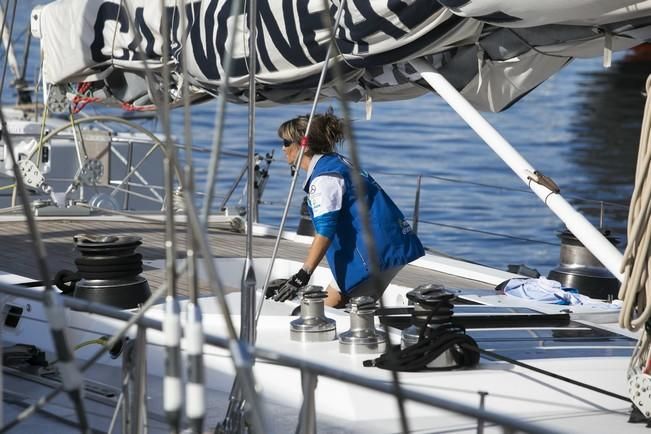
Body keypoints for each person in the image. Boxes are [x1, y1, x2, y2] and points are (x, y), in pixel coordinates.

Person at [271, 110, 424, 308]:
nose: (283, 149)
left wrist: (302, 275)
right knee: (337, 306)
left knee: (330, 310)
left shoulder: (324, 179)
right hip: (386, 245)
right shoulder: (335, 162)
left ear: (304, 146)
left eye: (286, 143)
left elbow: (326, 230)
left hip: (376, 253)